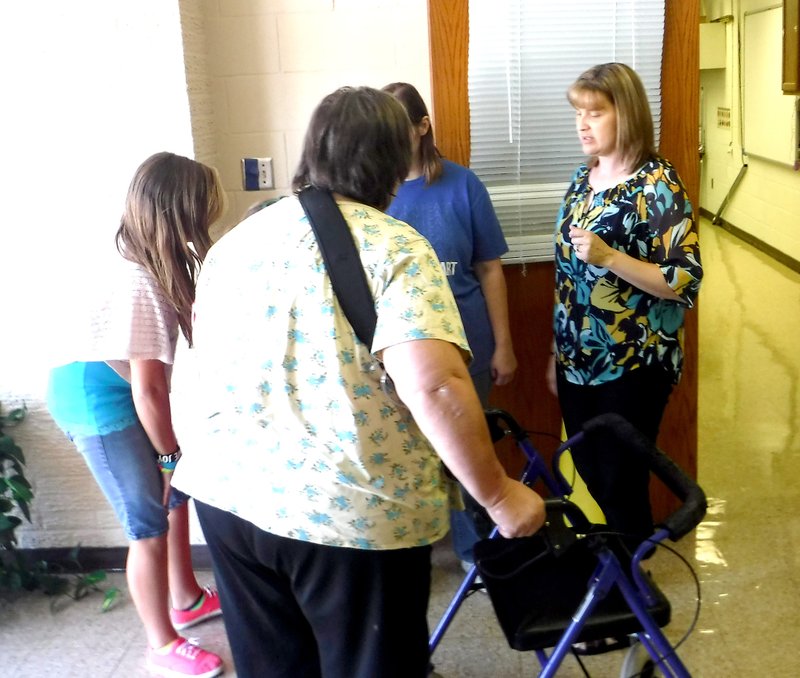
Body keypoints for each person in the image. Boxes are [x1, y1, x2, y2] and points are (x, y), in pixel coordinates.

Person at [169, 86, 545, 678]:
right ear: (395, 163)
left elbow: (195, 366)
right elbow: (436, 384)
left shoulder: (238, 241)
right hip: (348, 516)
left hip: (228, 497)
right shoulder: (393, 246)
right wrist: (498, 495)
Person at [46, 152, 226, 678]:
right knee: (147, 521)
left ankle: (186, 599)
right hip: (95, 401)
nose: (207, 222)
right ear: (180, 214)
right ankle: (161, 644)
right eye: (203, 212)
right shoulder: (138, 280)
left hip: (118, 389)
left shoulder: (148, 263)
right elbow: (148, 389)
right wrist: (170, 454)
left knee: (175, 498)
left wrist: (174, 463)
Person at [547, 62, 703, 548]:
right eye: (578, 112)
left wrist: (611, 257)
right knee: (593, 472)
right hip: (577, 359)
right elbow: (568, 279)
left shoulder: (657, 183)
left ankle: (632, 587)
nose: (583, 123)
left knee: (621, 480)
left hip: (633, 362)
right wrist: (556, 354)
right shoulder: (582, 177)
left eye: (595, 112)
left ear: (627, 115)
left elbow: (684, 281)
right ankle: (616, 572)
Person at [382, 82, 517, 570]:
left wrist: (503, 345)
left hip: (468, 345)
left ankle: (475, 554)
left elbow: (490, 269)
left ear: (423, 127)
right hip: (401, 353)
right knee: (409, 456)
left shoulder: (463, 185)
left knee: (468, 450)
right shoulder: (376, 193)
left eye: (401, 128)